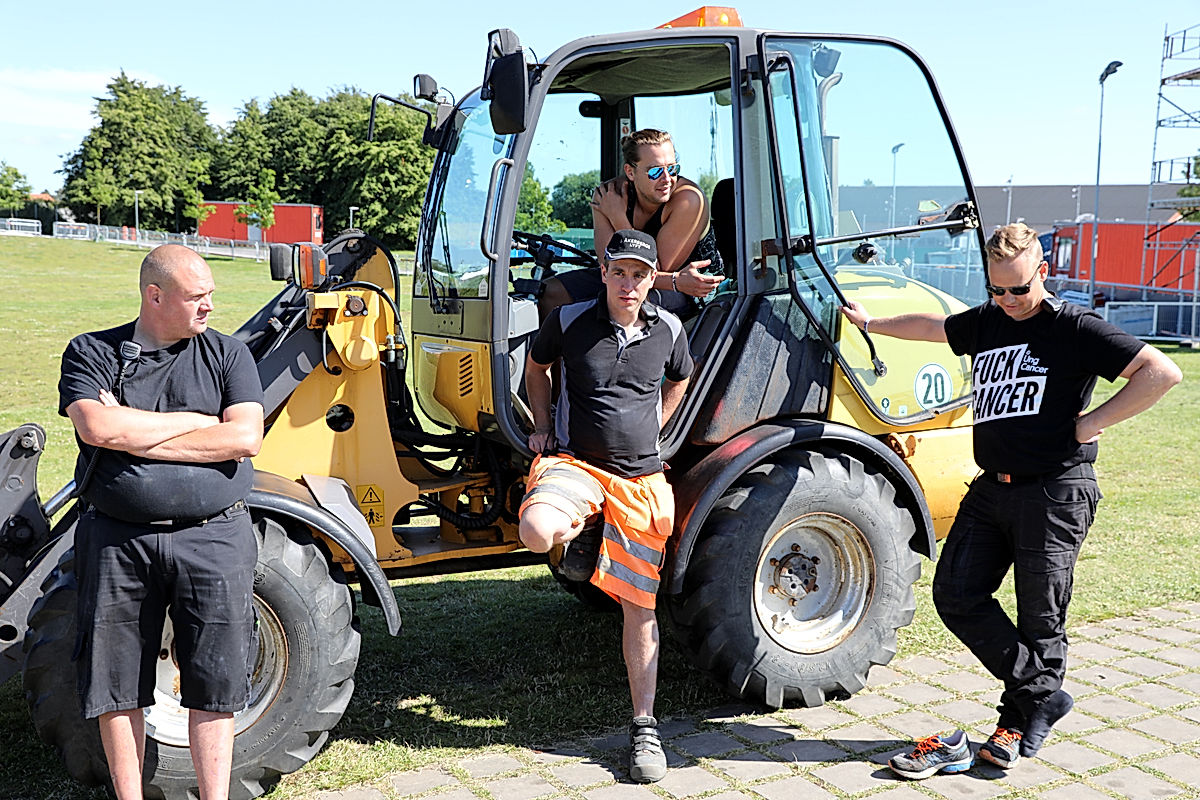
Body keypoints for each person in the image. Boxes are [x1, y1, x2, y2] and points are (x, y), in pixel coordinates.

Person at [841, 223, 1182, 779]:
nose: (1007, 301)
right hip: (991, 487)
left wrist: (1091, 423)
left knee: (1040, 617)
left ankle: (1015, 722)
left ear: (1041, 273)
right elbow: (932, 327)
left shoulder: (1073, 326)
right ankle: (1044, 693)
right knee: (955, 594)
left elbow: (1161, 372)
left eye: (1018, 290)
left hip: (1053, 490)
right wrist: (873, 323)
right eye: (996, 290)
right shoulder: (989, 320)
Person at [59, 244, 265, 800]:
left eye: (211, 295)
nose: (209, 307)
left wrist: (135, 427)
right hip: (116, 540)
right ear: (155, 296)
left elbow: (244, 438)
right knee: (116, 682)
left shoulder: (228, 355)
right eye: (197, 297)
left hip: (214, 537)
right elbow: (98, 432)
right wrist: (197, 427)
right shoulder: (91, 352)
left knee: (215, 680)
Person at [519, 229, 693, 784]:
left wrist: (657, 428)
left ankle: (645, 726)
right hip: (578, 466)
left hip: (640, 480)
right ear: (604, 272)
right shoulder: (569, 321)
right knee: (535, 529)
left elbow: (680, 380)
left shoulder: (669, 328)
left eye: (639, 275)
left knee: (639, 607)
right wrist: (544, 425)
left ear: (651, 279)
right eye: (619, 272)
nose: (628, 283)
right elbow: (535, 368)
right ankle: (585, 540)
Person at [539, 128, 723, 321]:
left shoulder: (688, 199)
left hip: (690, 289)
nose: (667, 179)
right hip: (634, 278)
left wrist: (618, 217)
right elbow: (608, 263)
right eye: (655, 171)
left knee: (631, 301)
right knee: (551, 291)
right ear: (630, 172)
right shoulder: (608, 195)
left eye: (672, 168)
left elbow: (655, 269)